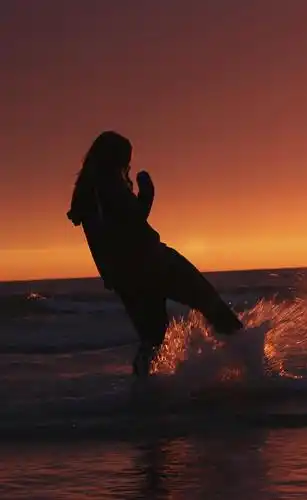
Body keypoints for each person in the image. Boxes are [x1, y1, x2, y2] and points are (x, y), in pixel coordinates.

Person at [67, 131, 243, 376]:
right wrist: (147, 192)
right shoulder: (109, 185)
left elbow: (102, 243)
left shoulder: (87, 193)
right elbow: (133, 219)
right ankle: (253, 365)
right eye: (125, 159)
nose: (128, 165)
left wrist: (112, 276)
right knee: (211, 305)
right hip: (154, 262)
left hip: (127, 278)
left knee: (152, 339)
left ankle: (144, 394)